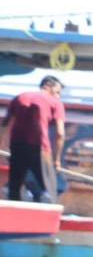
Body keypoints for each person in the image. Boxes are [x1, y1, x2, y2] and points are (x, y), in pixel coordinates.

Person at [3, 76, 65, 204]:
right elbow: (60, 133)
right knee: (49, 191)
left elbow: (4, 124)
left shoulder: (19, 97)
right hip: (40, 148)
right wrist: (57, 159)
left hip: (17, 146)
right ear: (47, 86)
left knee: (14, 189)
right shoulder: (55, 103)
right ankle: (47, 221)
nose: (58, 96)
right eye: (57, 92)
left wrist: (3, 147)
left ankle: (12, 220)